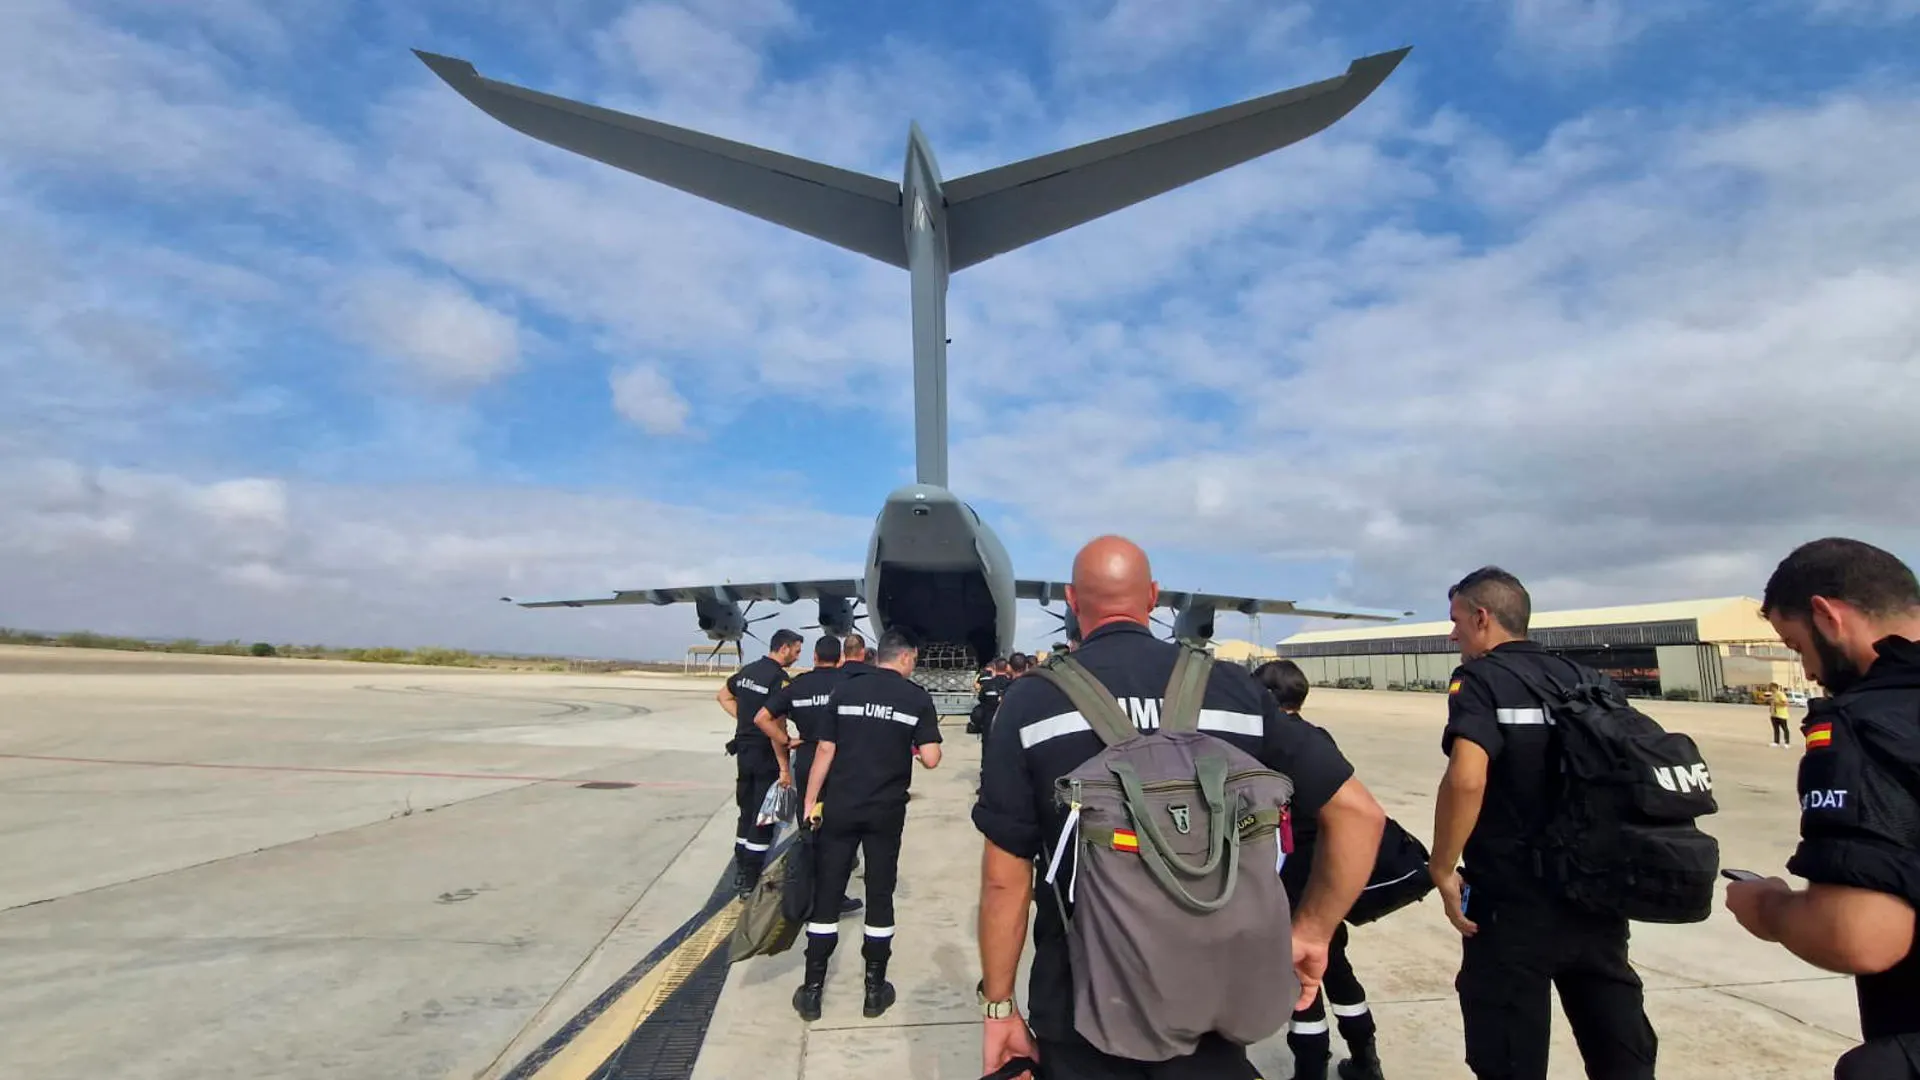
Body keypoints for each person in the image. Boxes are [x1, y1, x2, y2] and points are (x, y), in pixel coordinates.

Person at [973, 535, 1386, 1080]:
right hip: (1215, 988)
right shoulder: (1234, 689)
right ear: (1154, 596)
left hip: (1082, 999)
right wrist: (1312, 931)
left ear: (1071, 599)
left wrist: (999, 1007)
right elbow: (1360, 814)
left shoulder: (1030, 702)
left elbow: (1006, 879)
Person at [1428, 566, 1656, 1080]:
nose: (1453, 633)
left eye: (1456, 620)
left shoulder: (1480, 679)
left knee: (1509, 1050)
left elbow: (1466, 779)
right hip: (1595, 893)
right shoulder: (1590, 681)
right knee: (1617, 1041)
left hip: (1514, 899)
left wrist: (1442, 868)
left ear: (1482, 617)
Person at [1726, 538, 1920, 1080]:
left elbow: (1860, 935)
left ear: (1827, 616)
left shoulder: (1861, 724)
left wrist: (1768, 908)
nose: (1808, 671)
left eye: (1795, 647)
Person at [794, 628, 944, 1021]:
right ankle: (874, 992)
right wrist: (907, 738)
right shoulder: (916, 699)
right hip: (885, 813)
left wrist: (810, 800)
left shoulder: (844, 691)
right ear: (907, 657)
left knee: (828, 892)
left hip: (840, 807)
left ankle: (812, 992)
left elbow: (826, 748)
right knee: (880, 894)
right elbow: (931, 758)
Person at [1252, 659, 1384, 1080]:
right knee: (1337, 963)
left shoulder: (1271, 745)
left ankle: (1310, 1068)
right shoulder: (1317, 738)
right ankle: (1366, 1057)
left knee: (1299, 973)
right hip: (1328, 874)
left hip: (1290, 875)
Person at [755, 634, 862, 918]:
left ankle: (807, 892)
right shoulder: (847, 685)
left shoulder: (797, 686)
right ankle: (834, 895)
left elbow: (761, 718)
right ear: (839, 658)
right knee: (839, 831)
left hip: (806, 761)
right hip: (840, 764)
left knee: (810, 827)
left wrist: (786, 739)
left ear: (814, 658)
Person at [716, 628, 804, 895]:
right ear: (785, 648)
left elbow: (723, 695)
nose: (797, 657)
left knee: (746, 811)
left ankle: (741, 865)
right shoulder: (778, 679)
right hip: (766, 752)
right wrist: (784, 765)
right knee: (763, 817)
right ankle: (749, 877)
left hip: (744, 750)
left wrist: (745, 718)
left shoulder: (748, 671)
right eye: (797, 651)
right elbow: (776, 724)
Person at [972, 658, 1012, 741]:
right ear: (1007, 668)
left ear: (995, 667)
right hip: (1007, 723)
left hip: (989, 723)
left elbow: (981, 699)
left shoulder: (987, 684)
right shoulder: (1012, 684)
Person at [1766, 683, 1793, 748]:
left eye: (1770, 687)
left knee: (1785, 729)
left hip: (1781, 715)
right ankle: (1776, 742)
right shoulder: (1773, 694)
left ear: (1774, 687)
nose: (1769, 688)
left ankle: (1787, 743)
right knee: (1776, 729)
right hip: (1774, 714)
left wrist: (1776, 702)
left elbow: (1785, 703)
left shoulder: (1780, 694)